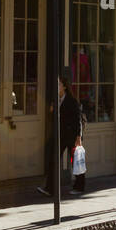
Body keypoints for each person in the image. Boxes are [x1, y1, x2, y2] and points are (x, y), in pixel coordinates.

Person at [40, 67, 83, 197]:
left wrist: (78, 137)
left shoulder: (71, 100)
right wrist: (52, 111)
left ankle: (79, 186)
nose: (56, 86)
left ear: (64, 87)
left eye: (59, 84)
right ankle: (50, 188)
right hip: (61, 135)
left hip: (72, 135)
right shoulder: (57, 100)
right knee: (53, 160)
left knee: (75, 161)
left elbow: (77, 119)